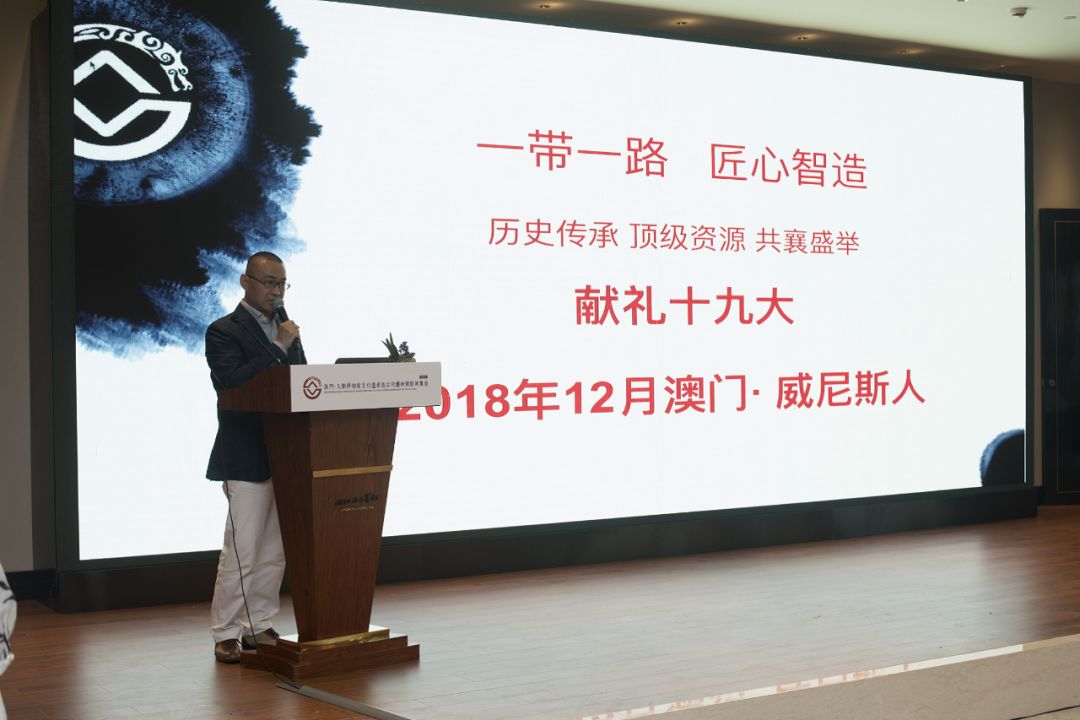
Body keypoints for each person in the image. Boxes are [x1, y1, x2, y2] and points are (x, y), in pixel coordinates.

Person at [205, 251, 306, 663]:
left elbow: (301, 382)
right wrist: (278, 346)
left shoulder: (287, 328)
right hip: (245, 454)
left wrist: (287, 344)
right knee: (242, 550)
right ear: (245, 282)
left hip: (285, 453)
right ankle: (226, 632)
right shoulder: (223, 330)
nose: (277, 291)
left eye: (282, 283)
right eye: (269, 282)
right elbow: (232, 383)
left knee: (274, 551)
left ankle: (258, 624)